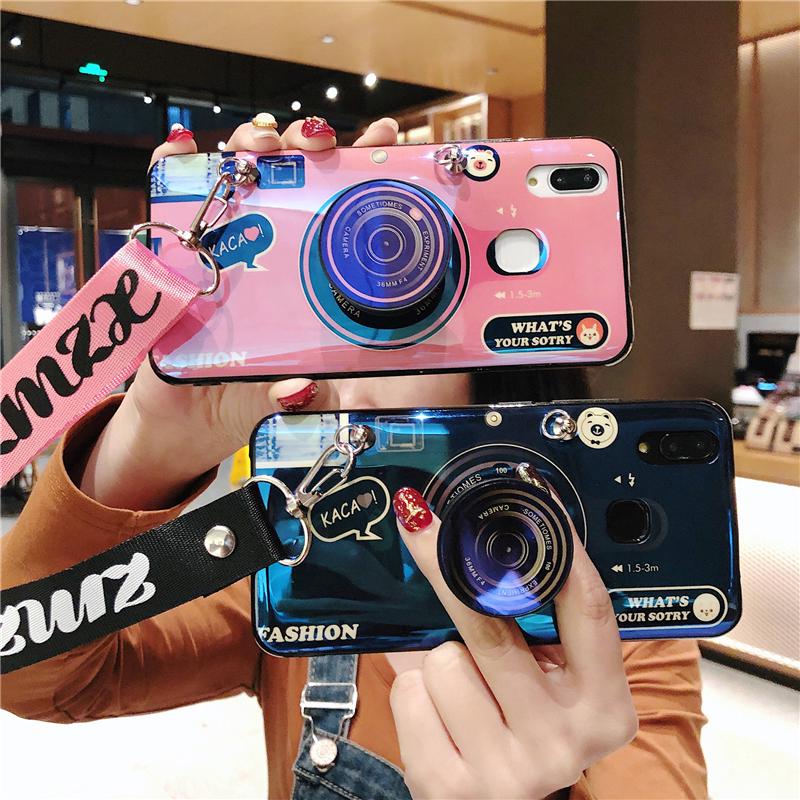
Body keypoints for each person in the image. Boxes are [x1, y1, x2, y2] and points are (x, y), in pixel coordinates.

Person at [0, 118, 707, 800]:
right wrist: (145, 443)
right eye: (326, 327)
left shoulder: (621, 619)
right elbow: (32, 669)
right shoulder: (300, 563)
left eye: (399, 328)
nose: (344, 382)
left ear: (496, 350)